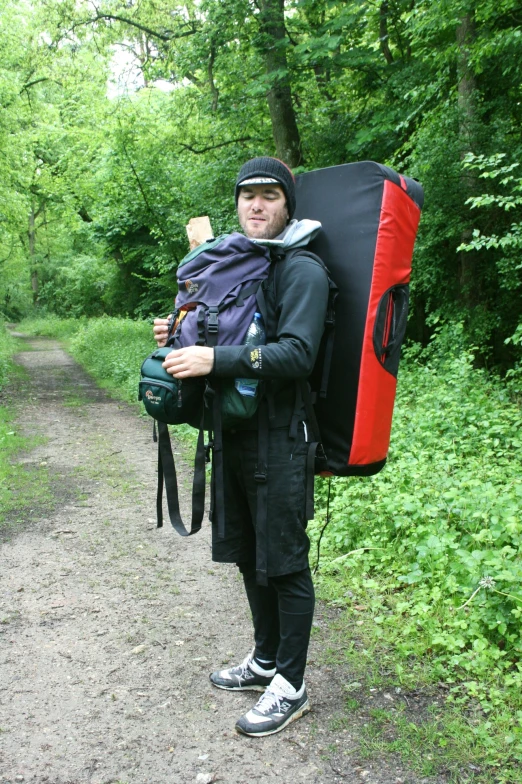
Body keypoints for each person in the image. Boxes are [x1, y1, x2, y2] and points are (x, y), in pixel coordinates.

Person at [153, 157, 329, 737]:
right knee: (250, 554)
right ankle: (264, 659)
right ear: (237, 203)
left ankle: (292, 684)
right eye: (248, 196)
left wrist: (214, 358)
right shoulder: (240, 267)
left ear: (287, 205)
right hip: (233, 432)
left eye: (270, 196)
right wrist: (180, 332)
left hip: (281, 434)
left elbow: (296, 355)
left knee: (284, 559)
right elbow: (220, 330)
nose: (257, 205)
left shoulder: (300, 268)